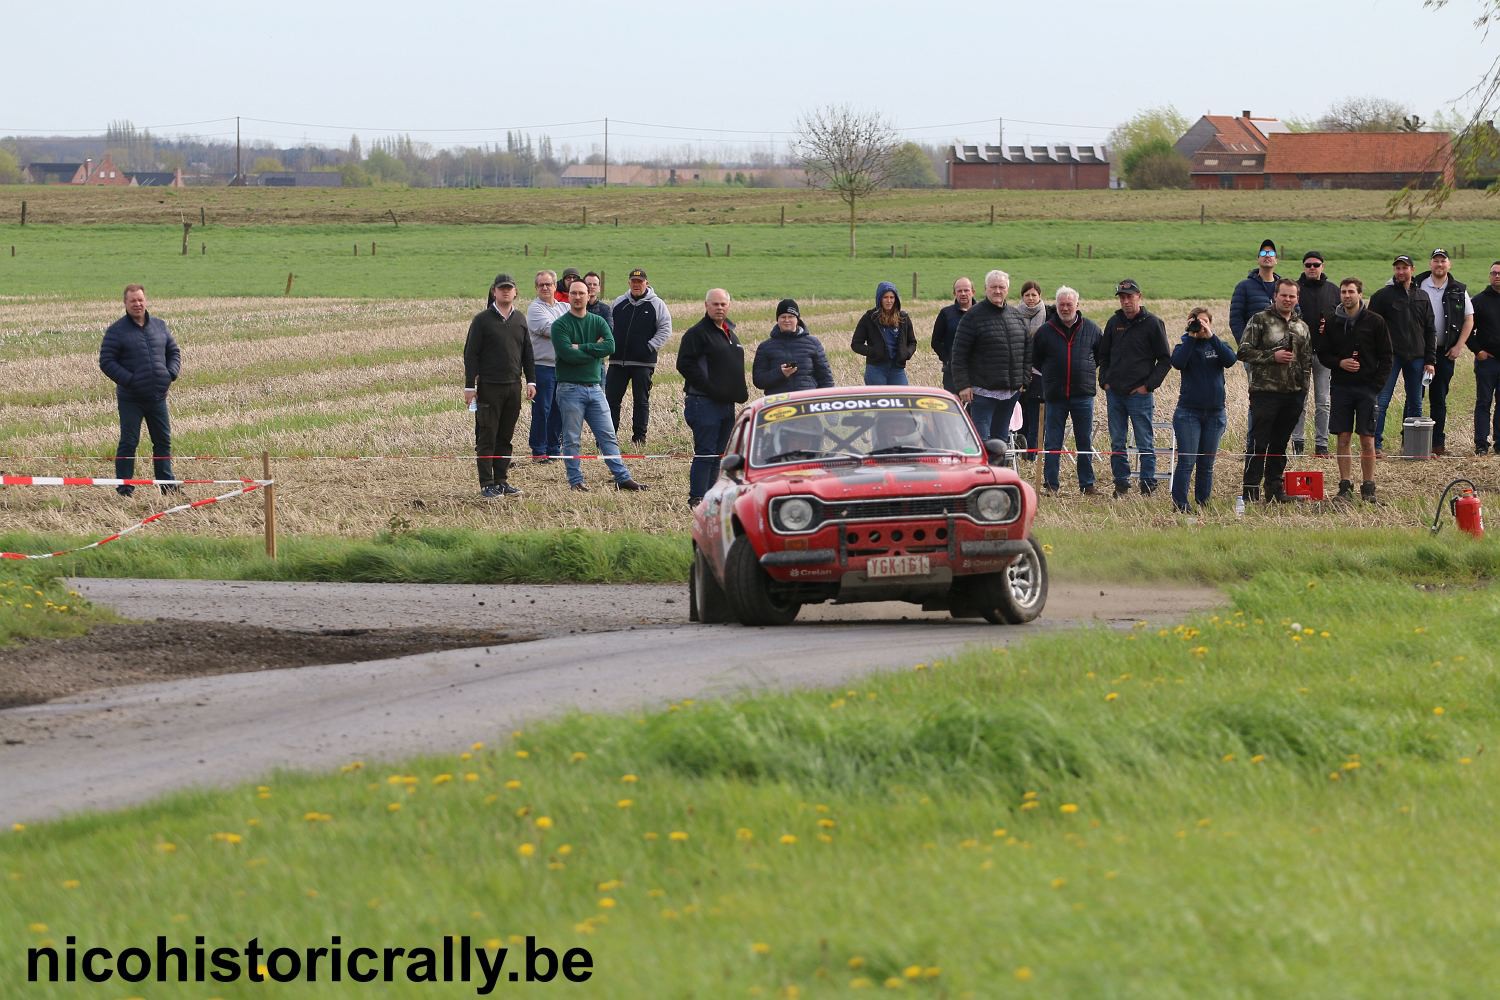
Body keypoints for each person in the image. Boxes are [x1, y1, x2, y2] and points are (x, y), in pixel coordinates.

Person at [550, 277, 648, 493]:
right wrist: (594, 350)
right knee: (572, 438)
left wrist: (581, 347)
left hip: (595, 388)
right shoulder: (560, 325)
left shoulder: (598, 322)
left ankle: (623, 478)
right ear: (569, 296)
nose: (577, 297)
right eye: (573, 293)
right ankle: (575, 481)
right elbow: (567, 355)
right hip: (569, 389)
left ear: (589, 296)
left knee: (608, 435)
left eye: (581, 293)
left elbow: (610, 347)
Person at [99, 284, 180, 497]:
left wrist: (169, 374)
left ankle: (167, 484)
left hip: (157, 397)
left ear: (146, 301)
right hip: (131, 399)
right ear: (125, 303)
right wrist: (130, 380)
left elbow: (173, 352)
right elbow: (106, 361)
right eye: (133, 301)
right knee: (129, 442)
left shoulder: (160, 326)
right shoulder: (116, 331)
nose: (137, 304)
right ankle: (125, 487)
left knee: (162, 441)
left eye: (140, 300)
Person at [1237, 279, 1313, 503]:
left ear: (1297, 298)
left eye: (1292, 296)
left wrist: (1303, 391)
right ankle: (1250, 491)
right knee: (1259, 442)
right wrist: (1273, 356)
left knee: (1280, 443)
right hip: (1265, 392)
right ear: (1275, 295)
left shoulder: (1302, 327)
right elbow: (1243, 352)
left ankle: (1274, 489)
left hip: (1293, 394)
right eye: (1284, 295)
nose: (1288, 300)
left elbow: (1307, 360)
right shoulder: (1260, 320)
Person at [463, 274, 537, 498]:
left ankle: (501, 480)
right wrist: (469, 386)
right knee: (487, 436)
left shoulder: (520, 319)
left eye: (509, 288)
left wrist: (530, 380)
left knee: (505, 436)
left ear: (515, 292)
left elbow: (528, 354)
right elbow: (471, 354)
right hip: (489, 387)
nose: (506, 292)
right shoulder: (482, 320)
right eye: (501, 288)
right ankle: (487, 483)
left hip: (513, 387)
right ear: (493, 291)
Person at [1318, 278, 1392, 503]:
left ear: (1360, 294)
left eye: (1351, 291)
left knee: (1368, 440)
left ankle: (1369, 488)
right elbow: (1323, 353)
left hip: (1367, 389)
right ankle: (1345, 486)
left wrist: (1376, 387)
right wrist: (1340, 363)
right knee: (1343, 437)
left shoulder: (1375, 322)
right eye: (1343, 292)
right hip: (1341, 387)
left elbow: (1387, 357)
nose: (1347, 295)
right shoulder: (1332, 322)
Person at [1096, 278, 1171, 497]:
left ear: (1139, 296)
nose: (1126, 301)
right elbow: (1103, 355)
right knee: (1117, 441)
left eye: (1129, 296)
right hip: (1115, 394)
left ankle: (1148, 484)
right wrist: (1105, 381)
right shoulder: (1113, 323)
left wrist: (1148, 386)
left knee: (1144, 441)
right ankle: (1121, 484)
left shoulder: (1153, 323)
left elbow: (1165, 360)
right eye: (1122, 297)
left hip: (1139, 395)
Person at [677, 288, 749, 507]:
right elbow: (685, 364)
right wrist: (710, 388)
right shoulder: (697, 333)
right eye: (715, 304)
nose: (720, 308)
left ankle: (713, 496)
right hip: (703, 402)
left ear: (729, 306)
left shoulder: (730, 333)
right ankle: (697, 498)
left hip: (725, 404)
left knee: (720, 454)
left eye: (723, 304)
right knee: (706, 452)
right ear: (706, 305)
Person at [1031, 286, 1101, 497]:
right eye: (1061, 304)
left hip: (1083, 395)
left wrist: (1084, 371)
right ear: (1057, 305)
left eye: (1069, 304)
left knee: (1084, 441)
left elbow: (1099, 356)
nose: (1065, 308)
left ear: (1077, 305)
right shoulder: (1045, 331)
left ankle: (1087, 485)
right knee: (1052, 442)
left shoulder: (1092, 329)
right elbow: (1035, 360)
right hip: (1055, 396)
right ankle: (1051, 485)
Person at [1169, 307, 1236, 513]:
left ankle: (1203, 502)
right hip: (1188, 413)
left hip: (1215, 413)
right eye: (1196, 321)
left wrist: (1211, 336)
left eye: (1204, 321)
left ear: (1210, 323)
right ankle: (1180, 504)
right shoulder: (1183, 345)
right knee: (1187, 460)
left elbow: (1231, 360)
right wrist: (1191, 336)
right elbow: (1178, 363)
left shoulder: (1217, 345)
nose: (1200, 325)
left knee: (1206, 462)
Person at [952, 269, 1031, 443]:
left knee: (1001, 439)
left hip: (1010, 393)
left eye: (1001, 287)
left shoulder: (1016, 316)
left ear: (1007, 290)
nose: (997, 291)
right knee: (982, 440)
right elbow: (959, 354)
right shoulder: (972, 317)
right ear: (986, 289)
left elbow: (1027, 351)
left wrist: (1023, 381)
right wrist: (963, 385)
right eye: (993, 287)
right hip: (983, 392)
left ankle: (999, 470)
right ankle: (983, 471)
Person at [1369, 255, 1435, 455]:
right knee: (1382, 401)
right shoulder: (1383, 296)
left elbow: (1430, 330)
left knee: (1415, 402)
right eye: (1397, 268)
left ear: (1412, 270)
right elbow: (1370, 326)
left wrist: (1430, 360)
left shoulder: (1422, 296)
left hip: (1417, 356)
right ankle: (1375, 445)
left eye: (1404, 268)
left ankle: (1412, 446)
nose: (1400, 272)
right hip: (1391, 356)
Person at [1415, 248, 1474, 455]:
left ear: (1449, 264)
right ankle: (1412, 444)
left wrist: (1459, 346)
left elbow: (1469, 319)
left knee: (1439, 398)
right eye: (1436, 261)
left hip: (1444, 352)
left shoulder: (1458, 289)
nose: (1439, 265)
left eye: (1443, 261)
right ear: (1430, 264)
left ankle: (1437, 445)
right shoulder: (1417, 284)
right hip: (1419, 351)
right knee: (1415, 396)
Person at [607, 267, 672, 447]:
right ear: (629, 283)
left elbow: (665, 328)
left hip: (643, 363)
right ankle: (608, 438)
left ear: (646, 283)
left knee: (641, 401)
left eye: (640, 282)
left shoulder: (657, 304)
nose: (637, 285)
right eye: (633, 282)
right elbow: (608, 327)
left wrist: (649, 347)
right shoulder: (619, 303)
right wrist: (610, 345)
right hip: (617, 361)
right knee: (611, 401)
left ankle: (639, 439)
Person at [1294, 250, 1339, 456]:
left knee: (1323, 401)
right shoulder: (1295, 289)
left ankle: (1322, 445)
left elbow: (1340, 319)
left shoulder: (1333, 290)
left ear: (1323, 266)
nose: (1312, 268)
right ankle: (1298, 444)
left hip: (1324, 353)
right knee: (1299, 400)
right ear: (1303, 267)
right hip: (1299, 354)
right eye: (1308, 265)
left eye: (1316, 264)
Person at [752, 299, 834, 395]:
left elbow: (826, 379)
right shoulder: (765, 347)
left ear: (797, 319)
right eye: (783, 317)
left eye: (791, 316)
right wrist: (780, 373)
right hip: (778, 403)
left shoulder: (813, 343)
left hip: (807, 401)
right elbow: (758, 380)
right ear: (777, 320)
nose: (787, 320)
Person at [526, 270, 566, 461]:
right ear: (536, 288)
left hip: (562, 367)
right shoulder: (535, 309)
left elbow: (575, 325)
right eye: (541, 285)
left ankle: (554, 448)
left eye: (548, 284)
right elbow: (550, 330)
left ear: (555, 286)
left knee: (559, 411)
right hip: (542, 367)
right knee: (543, 409)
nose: (545, 287)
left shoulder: (563, 307)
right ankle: (539, 450)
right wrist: (569, 330)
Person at [851, 281, 916, 385]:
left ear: (896, 299)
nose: (889, 301)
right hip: (876, 369)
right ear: (879, 299)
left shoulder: (903, 318)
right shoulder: (869, 318)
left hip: (897, 370)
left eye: (892, 297)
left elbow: (912, 342)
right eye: (885, 297)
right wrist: (874, 352)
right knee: (879, 401)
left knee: (901, 399)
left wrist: (906, 353)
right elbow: (856, 344)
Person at [1469, 260, 1500, 454]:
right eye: (1494, 273)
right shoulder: (1479, 301)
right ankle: (1481, 443)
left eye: (1499, 273)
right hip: (1486, 361)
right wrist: (1477, 351)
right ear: (1490, 276)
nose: (1497, 276)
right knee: (1484, 401)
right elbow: (1467, 329)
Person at [1015, 280, 1048, 462]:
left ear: (1040, 296)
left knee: (1036, 415)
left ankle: (1032, 453)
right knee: (1021, 413)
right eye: (1027, 295)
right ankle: (1019, 449)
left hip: (1039, 374)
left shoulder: (1047, 315)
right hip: (1018, 372)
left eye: (1034, 295)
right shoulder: (1013, 315)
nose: (1030, 298)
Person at [1229, 239, 1283, 345]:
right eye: (1263, 253)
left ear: (1276, 260)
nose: (1267, 256)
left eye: (1271, 253)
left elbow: (1296, 315)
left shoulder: (1284, 287)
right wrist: (1245, 345)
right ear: (1258, 259)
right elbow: (1236, 319)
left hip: (1281, 350)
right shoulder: (1244, 287)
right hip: (1255, 352)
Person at [931, 277, 974, 393]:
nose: (963, 294)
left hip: (978, 374)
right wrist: (948, 359)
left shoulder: (982, 313)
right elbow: (935, 341)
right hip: (952, 374)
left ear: (973, 292)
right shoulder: (946, 314)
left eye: (966, 290)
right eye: (959, 291)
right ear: (954, 293)